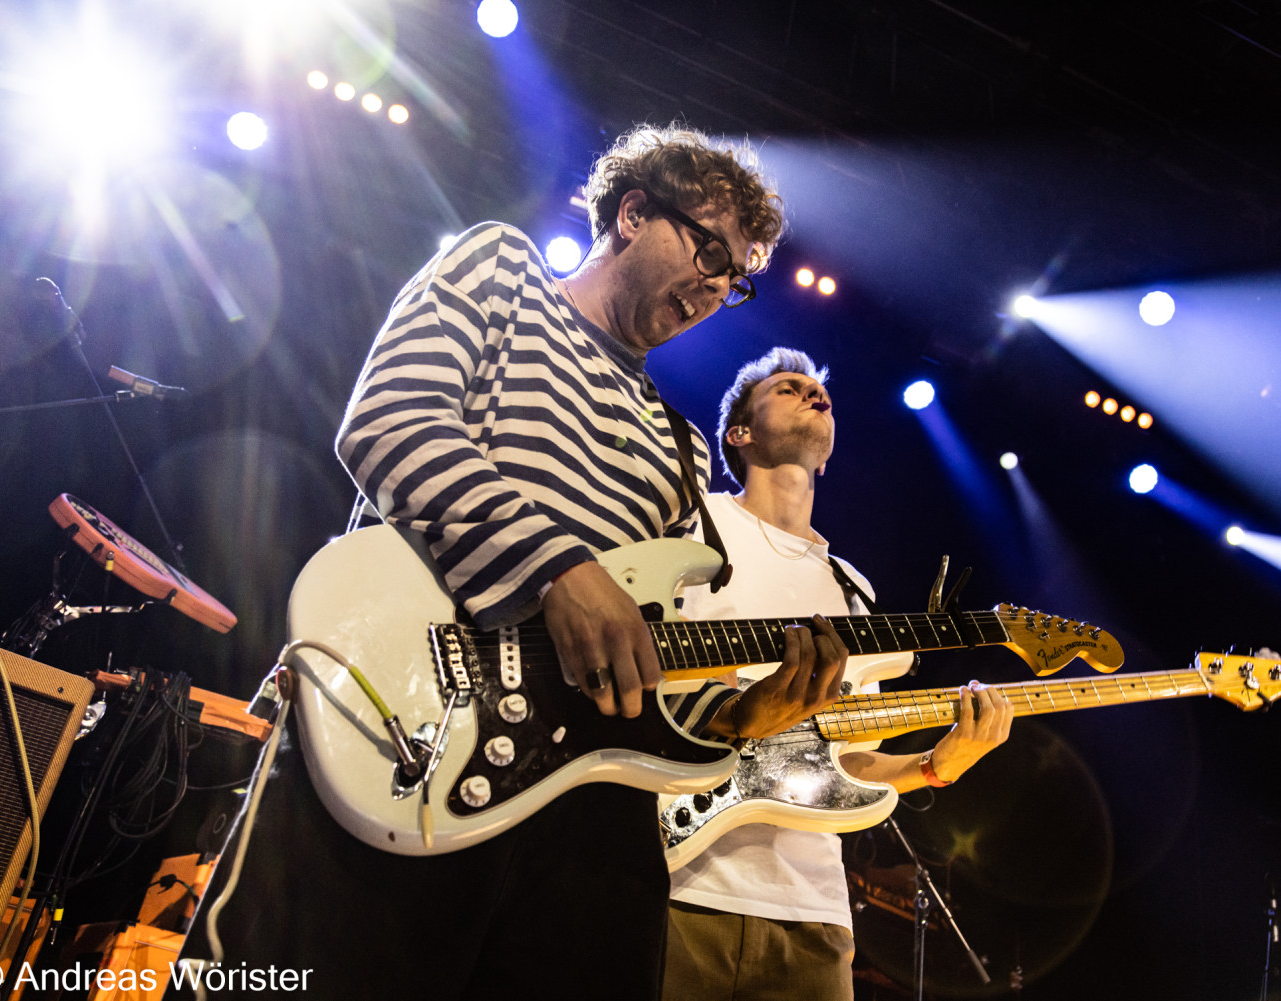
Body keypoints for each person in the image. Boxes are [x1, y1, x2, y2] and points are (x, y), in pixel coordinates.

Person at [183, 126, 848, 1001]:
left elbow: (652, 651)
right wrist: (556, 569)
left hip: (582, 819)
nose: (717, 287)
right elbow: (392, 417)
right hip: (401, 735)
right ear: (633, 211)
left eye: (736, 277)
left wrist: (741, 714)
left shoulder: (681, 448)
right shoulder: (503, 270)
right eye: (710, 250)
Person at [662, 348, 1016, 1001]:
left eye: (821, 390)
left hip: (813, 914)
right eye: (790, 387)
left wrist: (941, 762)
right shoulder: (693, 525)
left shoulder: (852, 588)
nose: (815, 394)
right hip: (678, 886)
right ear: (739, 433)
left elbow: (850, 760)